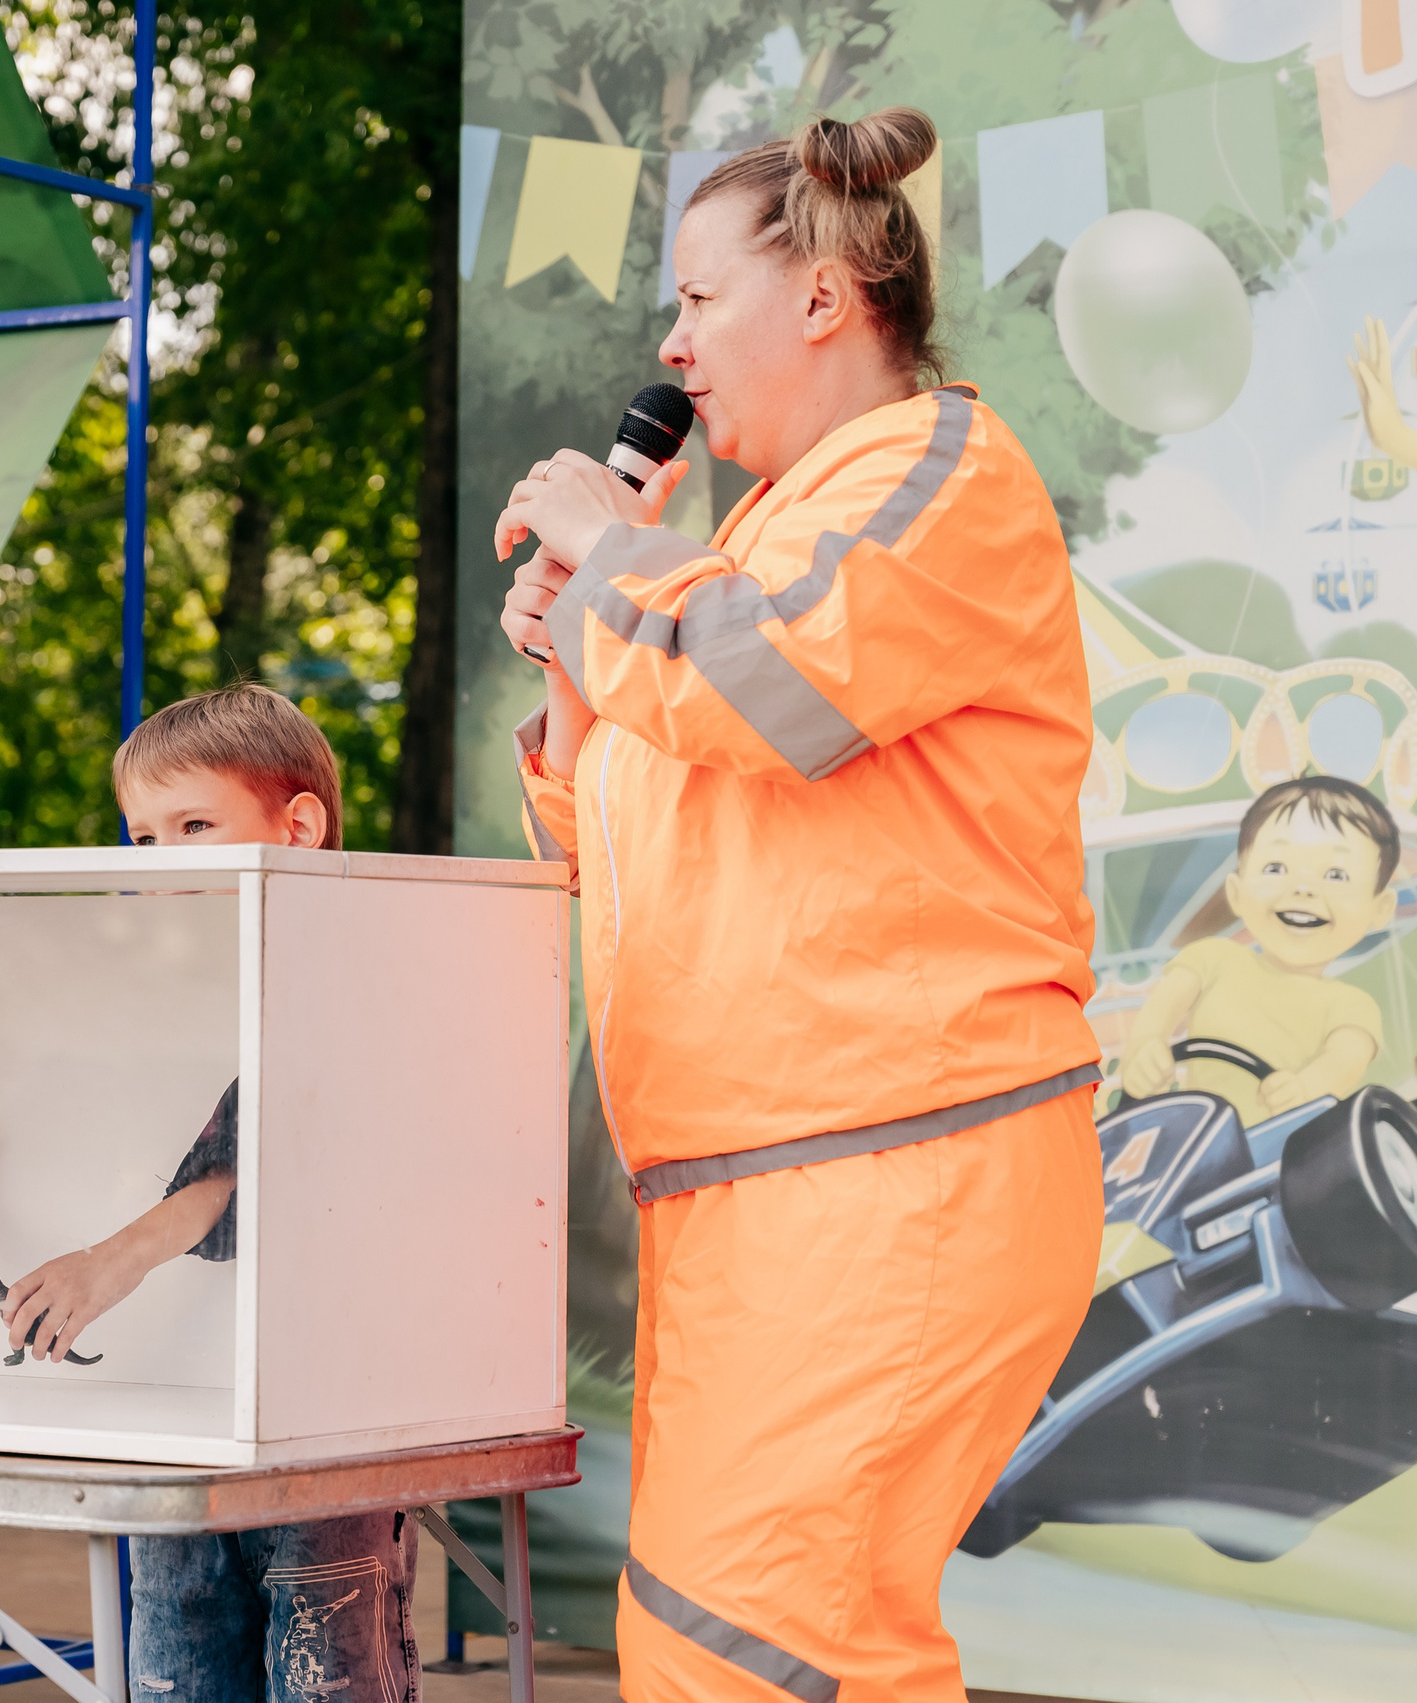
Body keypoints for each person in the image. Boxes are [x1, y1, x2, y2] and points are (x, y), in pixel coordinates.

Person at [492, 110, 1102, 1703]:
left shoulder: (931, 470)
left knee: (759, 1658)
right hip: (771, 1189)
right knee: (737, 1650)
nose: (670, 341)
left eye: (699, 299)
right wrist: (577, 642)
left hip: (892, 1171)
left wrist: (622, 554)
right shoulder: (757, 533)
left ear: (826, 296)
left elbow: (764, 686)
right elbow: (629, 819)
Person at [0, 682, 417, 1703]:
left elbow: (259, 1138)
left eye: (194, 824)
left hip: (328, 1407)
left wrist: (118, 1256)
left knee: (322, 1672)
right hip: (168, 1404)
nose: (160, 856)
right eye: (142, 835)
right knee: (176, 1664)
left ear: (298, 825)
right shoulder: (119, 994)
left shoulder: (373, 965)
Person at [1120, 776, 1398, 1124]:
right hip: (1197, 1137)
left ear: (1380, 908)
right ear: (1236, 891)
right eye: (1276, 868)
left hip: (1282, 1156)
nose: (1302, 889)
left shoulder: (1351, 1006)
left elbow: (1346, 1057)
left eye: (1336, 874)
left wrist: (1308, 1088)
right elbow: (1160, 1011)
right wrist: (1145, 1048)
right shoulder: (1213, 958)